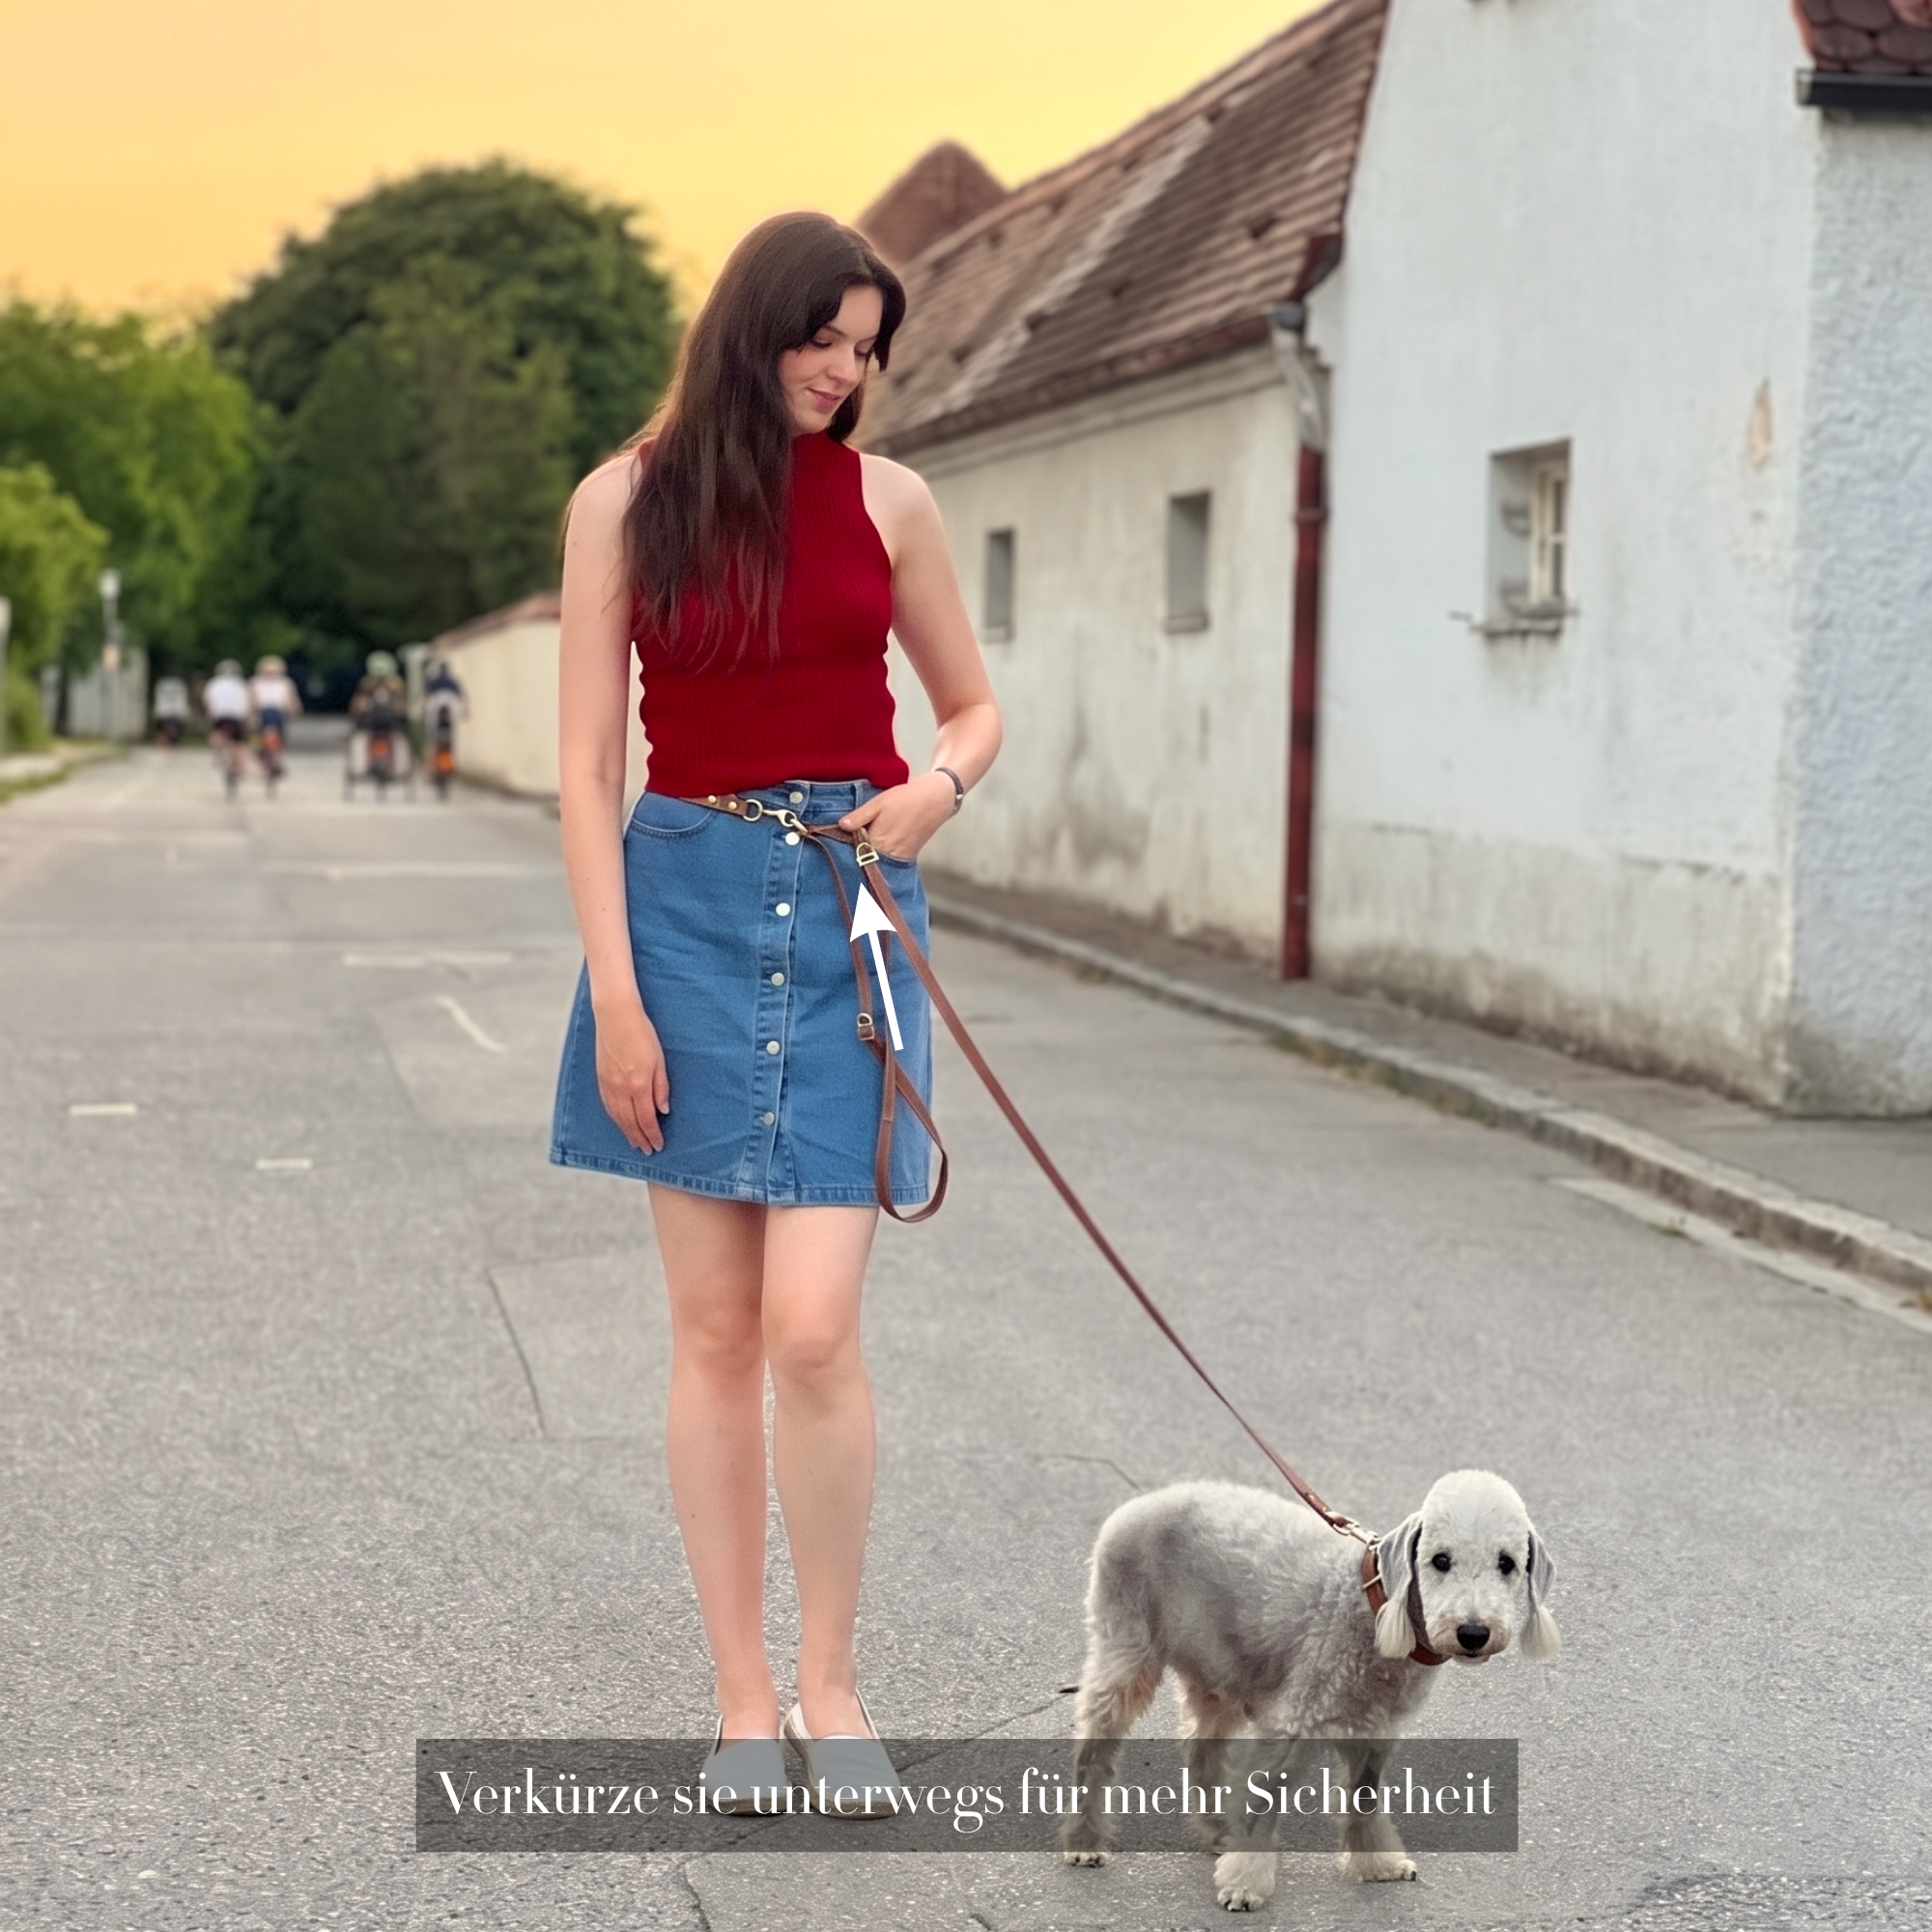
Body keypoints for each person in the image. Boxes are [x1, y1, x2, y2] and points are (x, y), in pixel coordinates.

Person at [550, 212, 1001, 1805]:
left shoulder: (891, 501)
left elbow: (974, 707)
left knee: (813, 1326)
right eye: (825, 338)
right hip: (679, 903)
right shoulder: (625, 502)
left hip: (851, 905)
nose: (845, 370)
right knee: (716, 1329)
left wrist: (938, 788)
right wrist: (617, 996)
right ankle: (745, 1702)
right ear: (755, 327)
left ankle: (833, 1685)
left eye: (867, 349)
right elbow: (587, 768)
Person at [202, 660, 249, 789]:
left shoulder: (214, 683)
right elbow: (247, 700)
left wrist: (210, 711)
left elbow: (208, 699)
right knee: (238, 743)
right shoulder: (241, 684)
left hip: (220, 715)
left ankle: (219, 754)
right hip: (236, 716)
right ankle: (240, 767)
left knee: (216, 735)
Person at [248, 654, 302, 739]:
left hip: (277, 712)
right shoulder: (257, 681)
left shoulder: (284, 682)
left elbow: (290, 699)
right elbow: (252, 699)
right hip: (265, 711)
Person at [152, 674, 189, 747]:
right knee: (173, 732)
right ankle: (171, 744)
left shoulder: (162, 684)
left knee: (163, 731)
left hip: (165, 711)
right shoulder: (179, 686)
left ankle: (166, 745)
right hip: (174, 712)